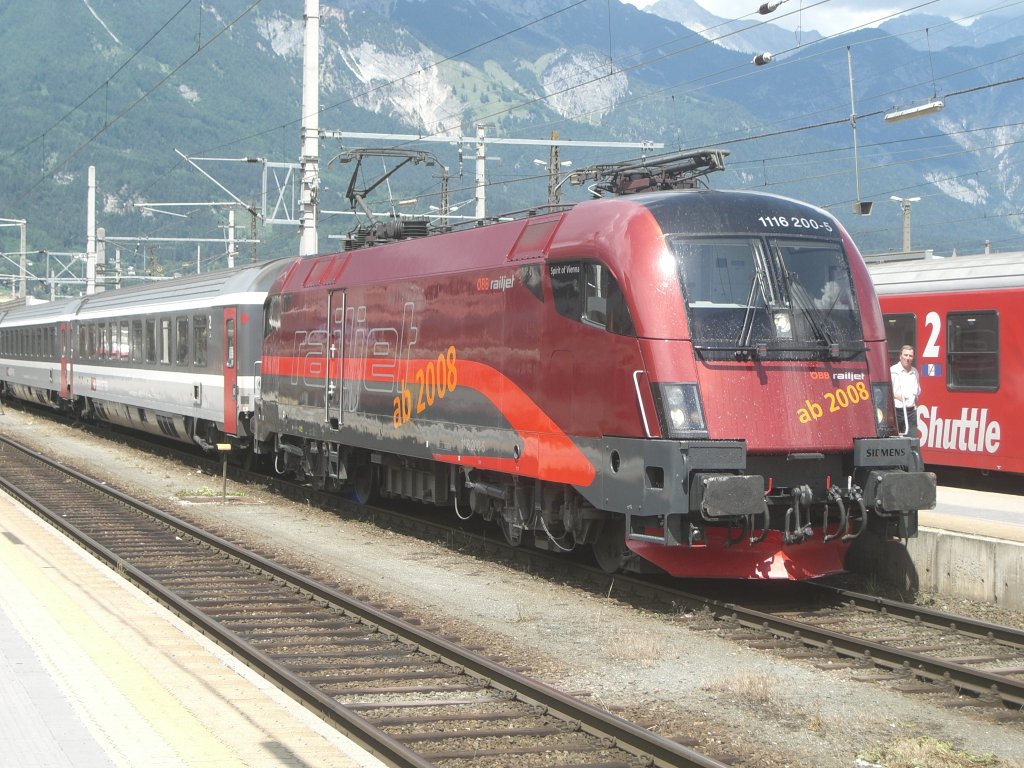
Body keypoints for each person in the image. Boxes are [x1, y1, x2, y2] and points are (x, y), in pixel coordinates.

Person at [890, 344, 921, 437]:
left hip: (911, 412)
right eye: (905, 355)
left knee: (912, 441)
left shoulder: (915, 372)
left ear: (913, 358)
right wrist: (897, 396)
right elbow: (886, 392)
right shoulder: (893, 371)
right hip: (897, 412)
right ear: (900, 356)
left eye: (910, 356)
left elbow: (917, 390)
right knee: (895, 440)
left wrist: (916, 398)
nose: (908, 358)